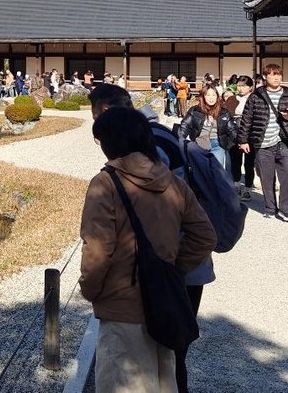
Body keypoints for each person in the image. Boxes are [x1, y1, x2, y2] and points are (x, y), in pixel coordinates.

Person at [80, 107, 216, 393]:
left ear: (111, 141)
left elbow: (98, 250)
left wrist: (90, 290)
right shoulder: (172, 182)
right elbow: (205, 235)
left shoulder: (106, 184)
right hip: (163, 302)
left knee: (124, 382)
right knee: (163, 379)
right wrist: (173, 266)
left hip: (121, 304)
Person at [236, 63, 288, 223]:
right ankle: (270, 207)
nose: (276, 77)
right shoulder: (256, 97)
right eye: (272, 74)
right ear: (265, 77)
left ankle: (287, 211)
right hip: (262, 143)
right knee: (266, 178)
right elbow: (247, 120)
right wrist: (243, 140)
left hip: (284, 142)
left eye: (279, 74)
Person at [177, 84, 237, 171]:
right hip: (199, 144)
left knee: (217, 171)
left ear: (217, 96)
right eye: (208, 95)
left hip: (217, 144)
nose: (211, 98)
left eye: (213, 95)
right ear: (203, 97)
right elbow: (184, 126)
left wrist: (241, 141)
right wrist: (179, 139)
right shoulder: (195, 110)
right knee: (200, 172)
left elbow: (232, 129)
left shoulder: (224, 112)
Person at [224, 76, 257, 199]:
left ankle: (248, 188)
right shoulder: (232, 99)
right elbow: (225, 115)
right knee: (235, 161)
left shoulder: (255, 99)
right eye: (239, 85)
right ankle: (236, 184)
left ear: (250, 87)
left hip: (250, 133)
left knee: (249, 162)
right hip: (234, 132)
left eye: (244, 86)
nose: (241, 88)